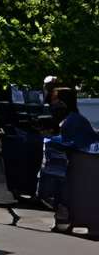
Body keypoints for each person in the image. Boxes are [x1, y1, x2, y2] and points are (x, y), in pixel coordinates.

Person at [42, 80, 96, 232]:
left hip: (77, 167)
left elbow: (74, 143)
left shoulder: (73, 121)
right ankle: (67, 222)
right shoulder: (73, 119)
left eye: (56, 100)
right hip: (74, 166)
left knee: (66, 194)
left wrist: (52, 140)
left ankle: (67, 222)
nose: (53, 104)